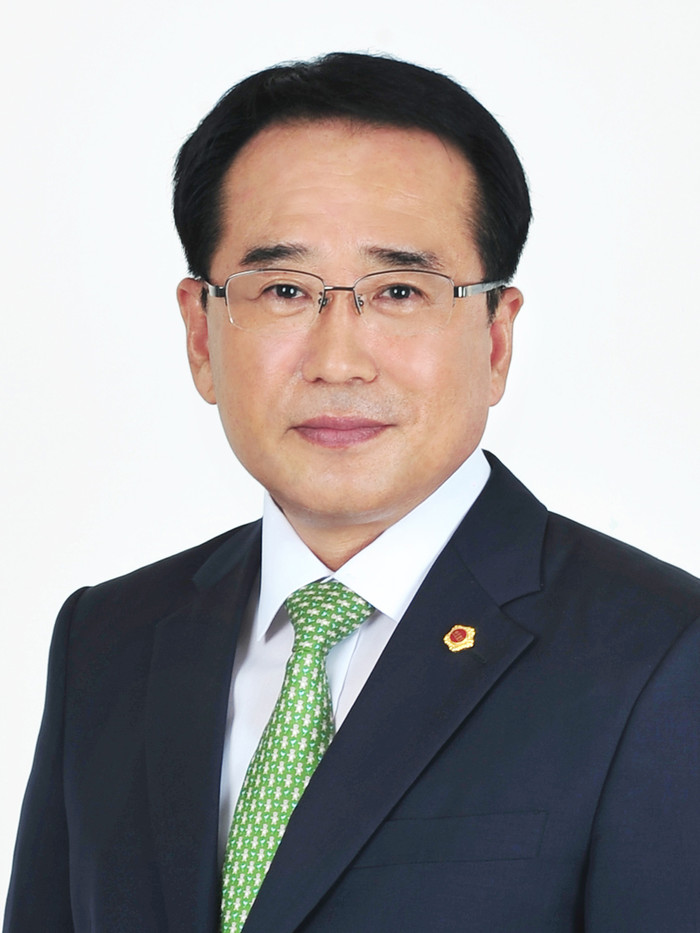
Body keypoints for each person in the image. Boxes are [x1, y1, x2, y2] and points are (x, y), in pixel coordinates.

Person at [4, 52, 699, 933]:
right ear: (201, 335)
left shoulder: (663, 657)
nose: (338, 360)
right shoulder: (108, 640)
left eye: (400, 290)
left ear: (495, 337)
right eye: (283, 289)